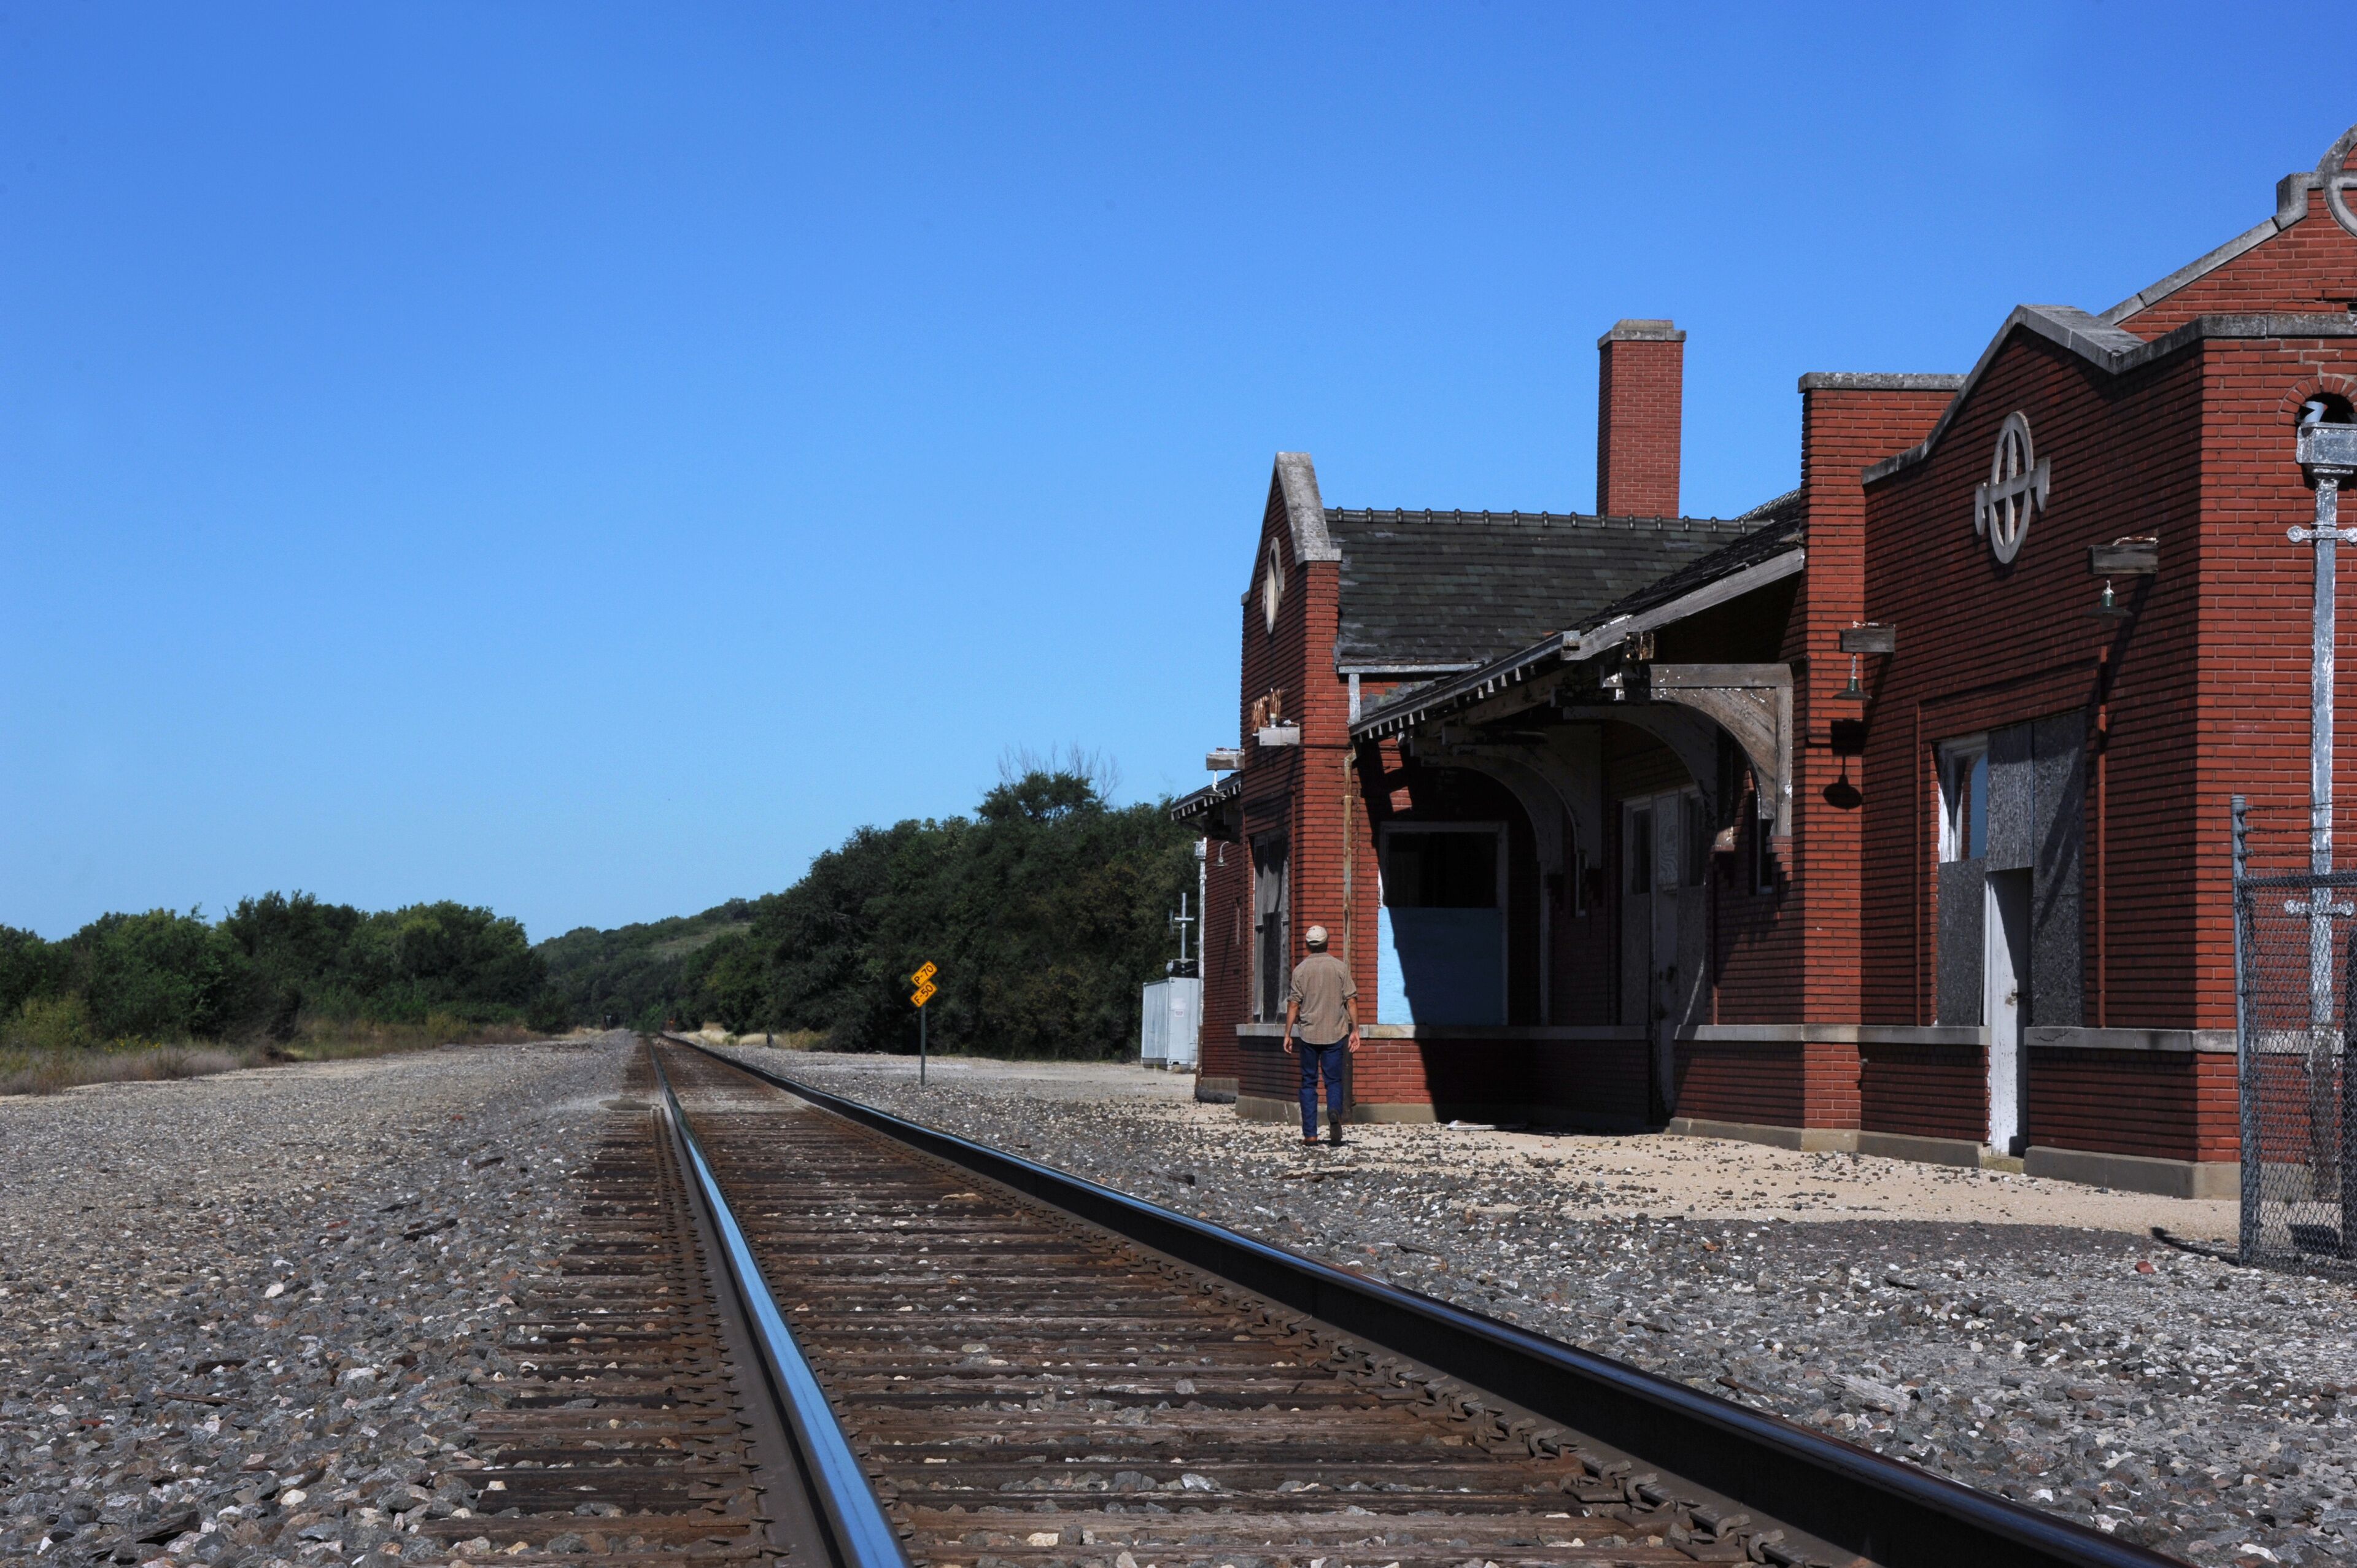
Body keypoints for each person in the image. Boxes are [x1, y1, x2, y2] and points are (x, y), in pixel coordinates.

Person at [1282, 925, 1359, 1147]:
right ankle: (1334, 1111)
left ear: (1307, 945)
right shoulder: (1340, 968)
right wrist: (1355, 1030)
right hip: (1335, 1033)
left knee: (1308, 1083)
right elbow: (1351, 1000)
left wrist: (1287, 1034)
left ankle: (1310, 1134)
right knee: (1334, 1080)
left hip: (1308, 1034)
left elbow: (1294, 1004)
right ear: (1327, 943)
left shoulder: (1300, 971)